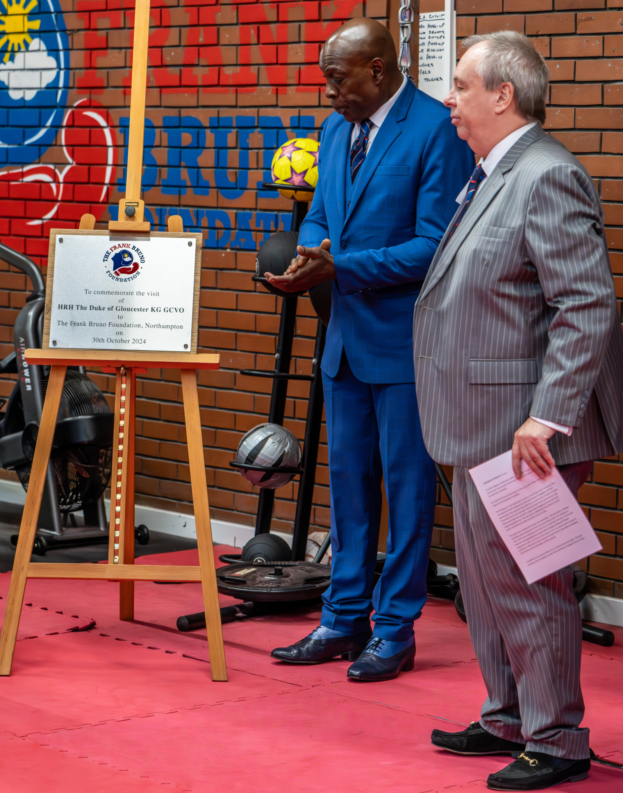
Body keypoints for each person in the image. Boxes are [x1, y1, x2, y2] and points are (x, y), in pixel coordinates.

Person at [414, 31, 623, 790]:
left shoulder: (547, 175)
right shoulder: (494, 173)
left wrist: (550, 416)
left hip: (523, 433)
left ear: (503, 94)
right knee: (485, 582)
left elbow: (587, 304)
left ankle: (558, 735)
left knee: (530, 588)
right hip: (477, 426)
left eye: (463, 86)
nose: (451, 100)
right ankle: (508, 714)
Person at [265, 19, 474, 681]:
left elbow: (436, 243)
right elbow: (323, 212)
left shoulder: (437, 130)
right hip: (345, 342)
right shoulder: (333, 130)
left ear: (379, 70)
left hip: (407, 343)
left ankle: (395, 628)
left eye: (338, 79)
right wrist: (310, 253)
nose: (329, 93)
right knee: (348, 487)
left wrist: (342, 267)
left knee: (407, 491)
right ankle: (343, 616)